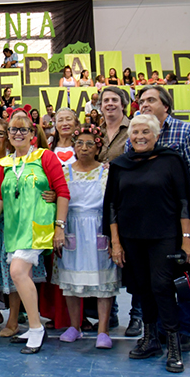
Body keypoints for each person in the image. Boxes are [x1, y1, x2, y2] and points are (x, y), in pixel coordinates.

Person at [105, 114, 190, 373]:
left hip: (164, 237)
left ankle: (173, 345)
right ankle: (150, 340)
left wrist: (187, 241)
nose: (140, 136)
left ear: (156, 135)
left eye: (146, 131)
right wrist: (115, 243)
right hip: (131, 238)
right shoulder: (120, 165)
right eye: (135, 132)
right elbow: (111, 205)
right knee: (142, 288)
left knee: (162, 286)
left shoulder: (171, 161)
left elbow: (184, 201)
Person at [0, 110, 70, 353]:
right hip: (14, 229)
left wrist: (59, 227)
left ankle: (36, 328)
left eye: (23, 129)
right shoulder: (5, 164)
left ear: (32, 134)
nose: (18, 133)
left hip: (38, 226)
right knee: (22, 275)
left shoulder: (45, 157)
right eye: (13, 129)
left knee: (17, 272)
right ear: (8, 135)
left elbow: (62, 192)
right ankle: (33, 325)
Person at [56, 124, 120, 349]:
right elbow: (57, 197)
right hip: (72, 227)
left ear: (97, 148)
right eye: (80, 143)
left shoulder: (107, 172)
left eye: (89, 144)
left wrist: (114, 238)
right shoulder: (64, 171)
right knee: (71, 281)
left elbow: (113, 204)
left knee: (104, 282)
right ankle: (75, 326)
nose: (84, 148)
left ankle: (103, 330)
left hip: (98, 227)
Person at [97, 86, 130, 163]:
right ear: (101, 107)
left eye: (114, 100)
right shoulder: (97, 132)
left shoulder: (134, 128)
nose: (110, 103)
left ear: (122, 105)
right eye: (106, 100)